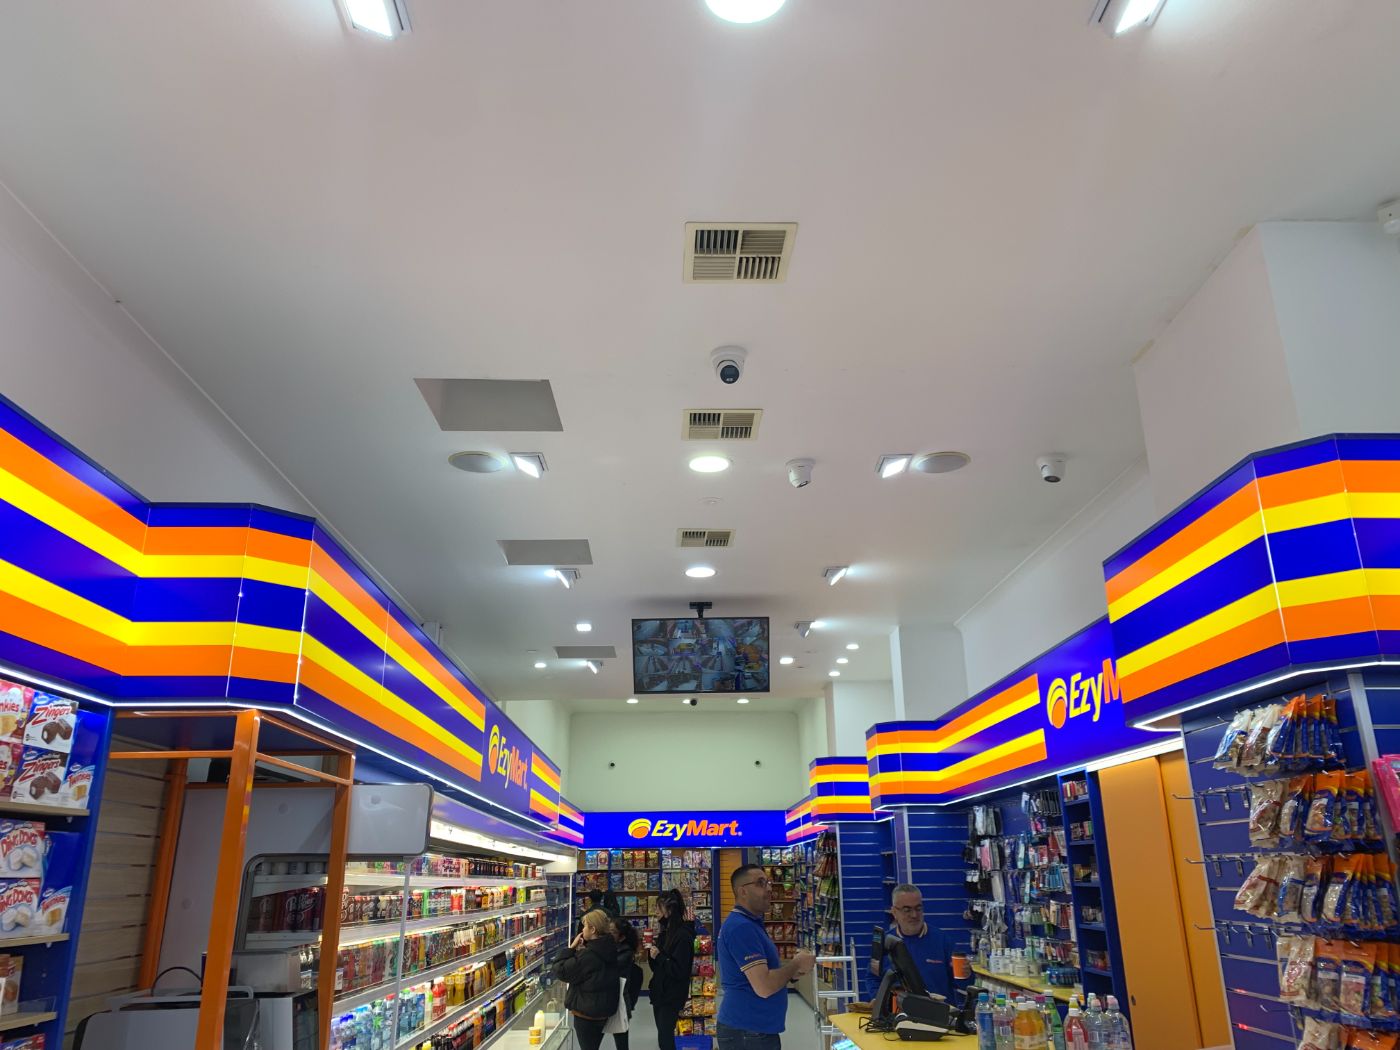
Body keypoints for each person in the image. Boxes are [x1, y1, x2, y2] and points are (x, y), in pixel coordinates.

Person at [716, 864, 815, 1050]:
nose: (769, 888)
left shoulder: (750, 924)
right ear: (742, 891)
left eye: (768, 882)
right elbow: (764, 986)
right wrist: (795, 964)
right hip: (748, 1031)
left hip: (754, 1029)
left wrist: (791, 974)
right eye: (761, 883)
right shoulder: (741, 928)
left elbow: (762, 975)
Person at [872, 884, 965, 1002]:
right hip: (899, 1011)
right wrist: (879, 999)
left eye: (918, 908)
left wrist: (966, 975)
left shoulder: (943, 941)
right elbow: (873, 978)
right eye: (907, 910)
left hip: (940, 1011)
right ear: (894, 912)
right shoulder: (885, 942)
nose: (914, 915)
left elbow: (962, 983)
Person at [552, 908, 622, 1050]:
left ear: (593, 929)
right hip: (603, 1010)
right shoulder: (610, 947)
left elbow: (561, 970)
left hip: (587, 1013)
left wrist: (571, 948)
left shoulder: (588, 956)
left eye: (585, 926)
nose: (582, 930)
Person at [647, 889, 696, 1050]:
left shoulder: (682, 936)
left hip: (671, 994)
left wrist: (659, 956)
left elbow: (679, 970)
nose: (656, 912)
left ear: (669, 910)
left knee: (665, 1037)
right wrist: (651, 952)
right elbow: (656, 968)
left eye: (658, 908)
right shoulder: (665, 933)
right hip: (660, 992)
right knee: (663, 1035)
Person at [611, 917, 644, 1050]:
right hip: (610, 999)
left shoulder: (625, 953)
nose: (609, 934)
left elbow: (611, 968)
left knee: (621, 1040)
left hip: (620, 1002)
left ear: (622, 937)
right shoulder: (614, 948)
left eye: (613, 932)